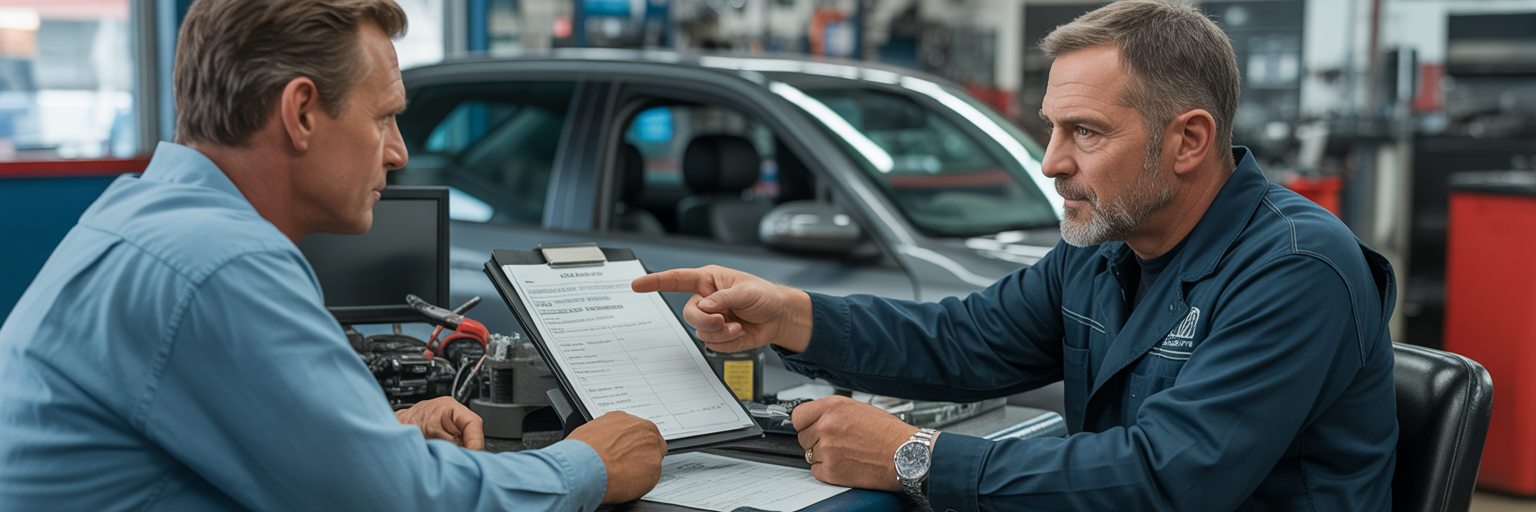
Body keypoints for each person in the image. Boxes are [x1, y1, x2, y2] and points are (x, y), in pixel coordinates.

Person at [632, 1, 1398, 510]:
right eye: (1052, 129)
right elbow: (961, 342)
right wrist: (793, 317)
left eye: (1086, 132)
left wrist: (914, 456)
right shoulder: (1103, 251)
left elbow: (1172, 478)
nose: (1051, 162)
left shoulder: (1296, 268)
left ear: (1189, 140)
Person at [0, 0, 663, 510]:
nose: (399, 152)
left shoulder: (144, 218)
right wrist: (585, 465)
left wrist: (378, 430)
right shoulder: (221, 262)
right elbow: (400, 501)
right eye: (383, 119)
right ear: (302, 113)